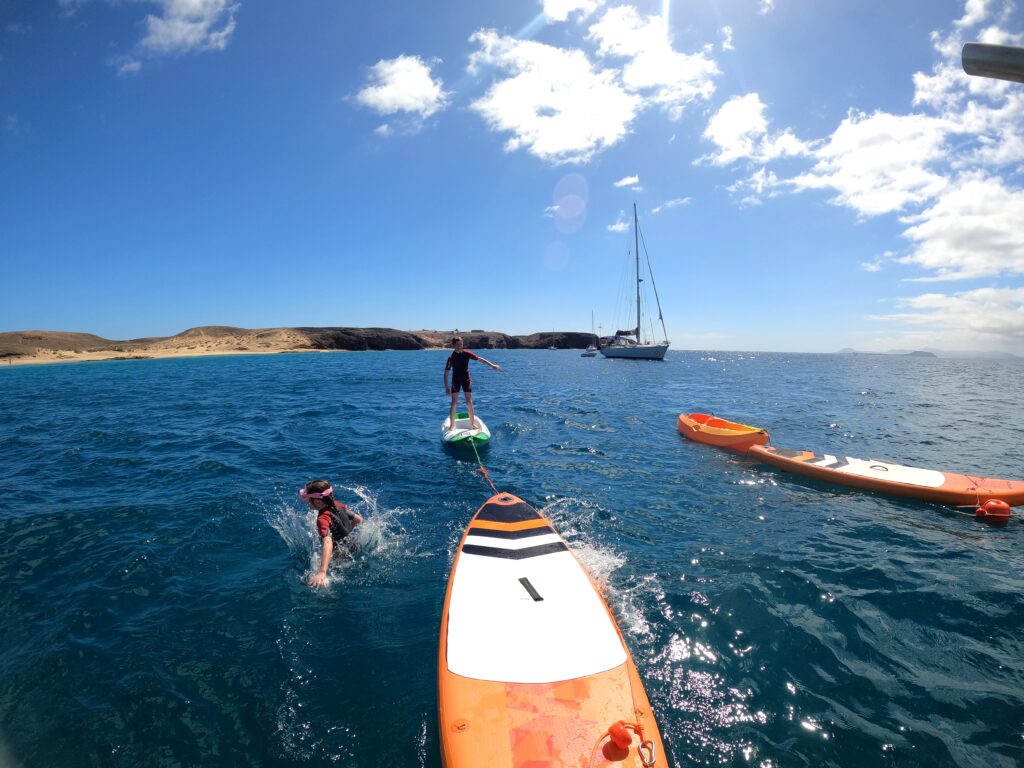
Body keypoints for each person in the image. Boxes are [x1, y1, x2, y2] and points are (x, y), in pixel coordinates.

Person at [300, 480, 362, 588]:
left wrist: (322, 571)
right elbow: (358, 519)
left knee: (311, 582)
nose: (308, 502)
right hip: (353, 548)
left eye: (309, 499)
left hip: (340, 558)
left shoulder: (322, 518)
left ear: (318, 502)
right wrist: (347, 532)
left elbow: (328, 542)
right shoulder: (338, 505)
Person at [444, 336, 501, 430]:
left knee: (469, 402)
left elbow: (480, 359)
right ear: (453, 345)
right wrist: (446, 387)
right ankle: (452, 425)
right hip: (456, 380)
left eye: (461, 344)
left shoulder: (467, 353)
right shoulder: (451, 358)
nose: (459, 346)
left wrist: (492, 365)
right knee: (454, 403)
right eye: (457, 344)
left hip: (466, 379)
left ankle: (472, 423)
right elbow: (446, 373)